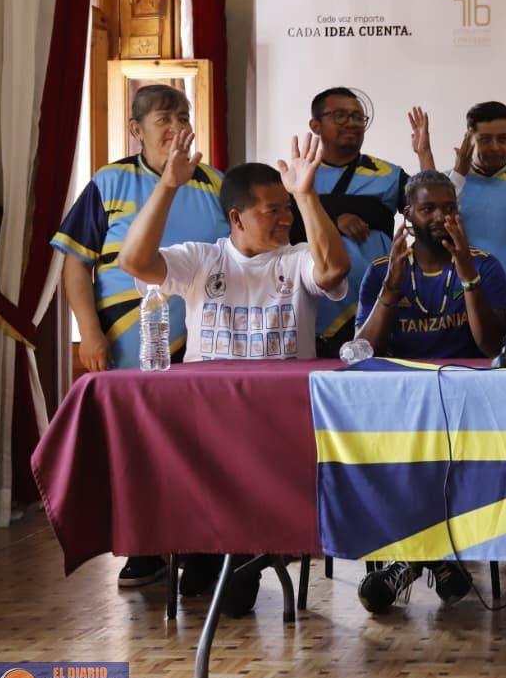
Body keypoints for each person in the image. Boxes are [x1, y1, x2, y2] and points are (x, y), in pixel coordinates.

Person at [119, 133, 350, 616]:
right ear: (237, 218)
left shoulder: (295, 260)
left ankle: (238, 555)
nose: (285, 218)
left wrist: (307, 195)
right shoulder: (202, 260)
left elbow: (332, 271)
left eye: (287, 208)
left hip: (279, 426)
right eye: (273, 210)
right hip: (209, 423)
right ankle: (209, 549)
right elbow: (134, 261)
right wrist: (167, 186)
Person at [51, 84, 229, 591]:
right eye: (163, 119)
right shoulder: (109, 182)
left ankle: (201, 549)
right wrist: (89, 333)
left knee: (199, 448)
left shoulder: (214, 183)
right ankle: (144, 548)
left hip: (201, 342)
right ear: (136, 130)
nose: (176, 127)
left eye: (183, 117)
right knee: (136, 448)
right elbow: (75, 265)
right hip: (128, 343)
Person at [350, 170, 506, 613]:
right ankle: (436, 560)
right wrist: (391, 288)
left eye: (449, 208)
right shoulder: (382, 271)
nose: (440, 217)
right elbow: (364, 351)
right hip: (401, 404)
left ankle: (413, 561)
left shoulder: (485, 265)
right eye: (428, 209)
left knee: (441, 460)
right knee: (396, 459)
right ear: (408, 215)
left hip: (467, 403)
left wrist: (467, 274)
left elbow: (491, 346)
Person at [295, 87, 407, 356]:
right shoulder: (297, 175)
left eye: (358, 117)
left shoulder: (389, 175)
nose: (352, 123)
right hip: (312, 311)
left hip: (375, 307)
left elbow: (430, 212)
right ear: (315, 125)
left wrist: (425, 156)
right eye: (340, 116)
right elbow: (281, 231)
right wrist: (334, 219)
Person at [408, 102, 506, 278]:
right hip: (458, 290)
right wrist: (458, 175)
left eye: (502, 139)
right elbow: (433, 231)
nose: (495, 147)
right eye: (485, 139)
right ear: (469, 138)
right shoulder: (449, 183)